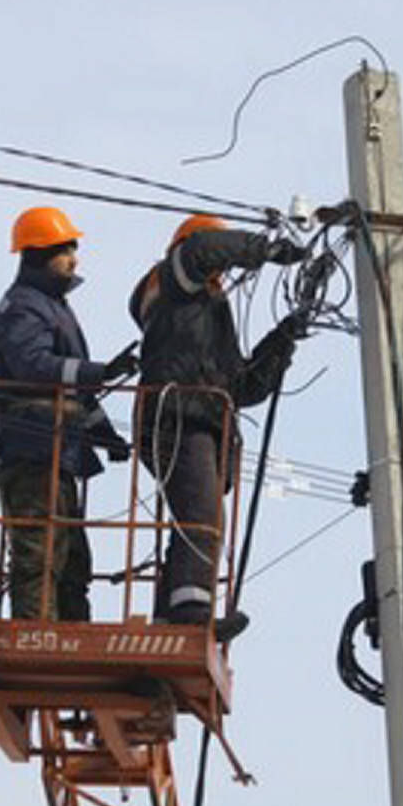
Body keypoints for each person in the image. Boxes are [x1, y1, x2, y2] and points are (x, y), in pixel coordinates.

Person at [128, 214, 302, 641]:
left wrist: (283, 340)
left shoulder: (204, 313)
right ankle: (191, 614)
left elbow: (240, 385)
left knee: (193, 515)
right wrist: (269, 249)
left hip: (198, 416)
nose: (222, 274)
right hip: (179, 416)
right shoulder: (172, 284)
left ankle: (172, 616)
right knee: (203, 515)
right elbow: (203, 250)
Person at [0, 205, 137, 622]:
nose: (75, 258)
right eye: (65, 250)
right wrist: (99, 371)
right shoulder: (22, 308)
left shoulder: (52, 308)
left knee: (71, 559)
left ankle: (70, 636)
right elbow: (34, 368)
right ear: (37, 254)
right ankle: (35, 637)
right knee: (40, 551)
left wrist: (107, 437)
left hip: (57, 448)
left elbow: (74, 395)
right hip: (31, 444)